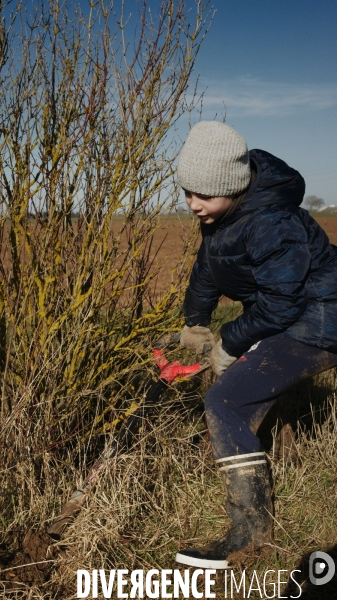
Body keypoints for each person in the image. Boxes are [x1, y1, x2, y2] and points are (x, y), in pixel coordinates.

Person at [173, 121, 337, 570]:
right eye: (187, 192)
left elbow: (282, 304)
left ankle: (249, 537)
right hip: (297, 314)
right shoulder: (223, 216)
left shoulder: (271, 221)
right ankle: (275, 452)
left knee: (226, 402)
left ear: (230, 186)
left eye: (202, 194)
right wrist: (195, 322)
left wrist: (229, 341)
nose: (192, 204)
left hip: (322, 320)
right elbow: (208, 268)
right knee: (245, 388)